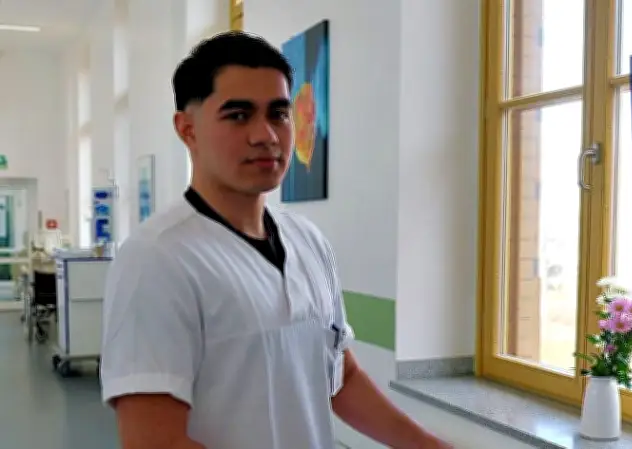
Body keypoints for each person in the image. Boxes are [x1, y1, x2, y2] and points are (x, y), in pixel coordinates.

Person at [100, 31, 452, 449]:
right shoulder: (156, 260)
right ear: (188, 130)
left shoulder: (308, 242)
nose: (265, 135)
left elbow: (340, 377)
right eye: (238, 115)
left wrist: (431, 446)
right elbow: (154, 442)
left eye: (279, 114)